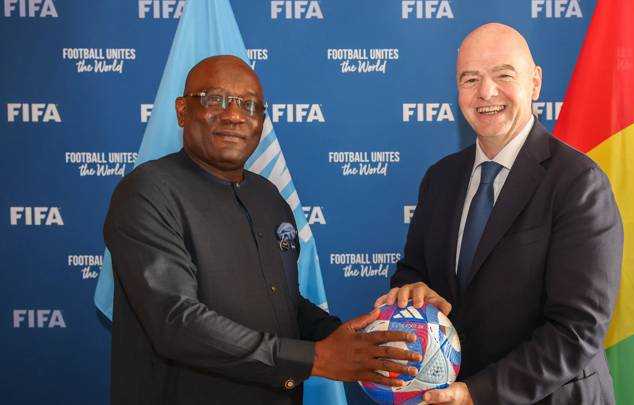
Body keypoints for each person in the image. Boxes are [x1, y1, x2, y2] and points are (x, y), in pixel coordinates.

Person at [104, 55, 420, 405]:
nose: (234, 115)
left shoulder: (269, 198)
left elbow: (282, 303)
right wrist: (316, 358)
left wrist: (343, 339)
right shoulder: (148, 191)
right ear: (182, 111)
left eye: (249, 105)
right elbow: (176, 321)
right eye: (215, 99)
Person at [376, 23, 623, 404]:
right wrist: (413, 291)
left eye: (503, 75)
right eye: (470, 78)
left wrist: (478, 393)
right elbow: (414, 272)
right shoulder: (439, 179)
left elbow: (577, 329)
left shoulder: (579, 183)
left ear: (535, 82)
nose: (486, 92)